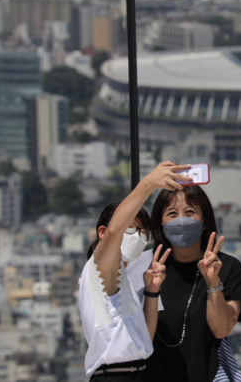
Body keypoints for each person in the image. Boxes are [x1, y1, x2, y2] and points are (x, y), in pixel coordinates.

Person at [78, 161, 192, 380]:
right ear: (100, 232)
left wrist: (151, 292)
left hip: (137, 372)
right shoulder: (99, 268)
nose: (138, 236)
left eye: (143, 232)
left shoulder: (121, 278)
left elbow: (143, 339)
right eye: (131, 229)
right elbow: (113, 232)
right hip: (113, 375)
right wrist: (148, 184)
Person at [144, 185, 241, 382]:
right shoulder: (145, 268)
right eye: (172, 213)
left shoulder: (227, 267)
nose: (181, 221)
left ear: (204, 222)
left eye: (190, 212)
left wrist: (213, 282)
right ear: (161, 223)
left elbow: (221, 329)